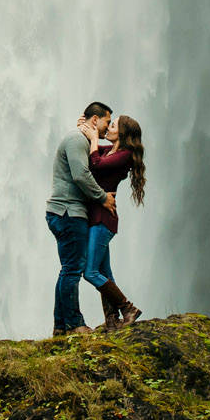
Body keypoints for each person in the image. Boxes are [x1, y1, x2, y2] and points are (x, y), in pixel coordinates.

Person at [46, 101, 113, 335]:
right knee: (73, 270)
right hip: (68, 212)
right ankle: (75, 324)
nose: (108, 127)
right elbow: (81, 175)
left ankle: (60, 327)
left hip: (66, 212)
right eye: (107, 122)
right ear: (95, 120)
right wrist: (102, 198)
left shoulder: (81, 139)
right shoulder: (76, 140)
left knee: (68, 269)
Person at [80, 114, 145, 329]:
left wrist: (94, 140)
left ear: (122, 134)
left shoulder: (125, 155)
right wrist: (85, 126)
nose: (108, 127)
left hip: (103, 218)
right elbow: (90, 154)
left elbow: (96, 164)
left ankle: (128, 308)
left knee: (90, 272)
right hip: (96, 216)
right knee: (104, 272)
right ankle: (111, 319)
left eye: (113, 125)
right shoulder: (110, 150)